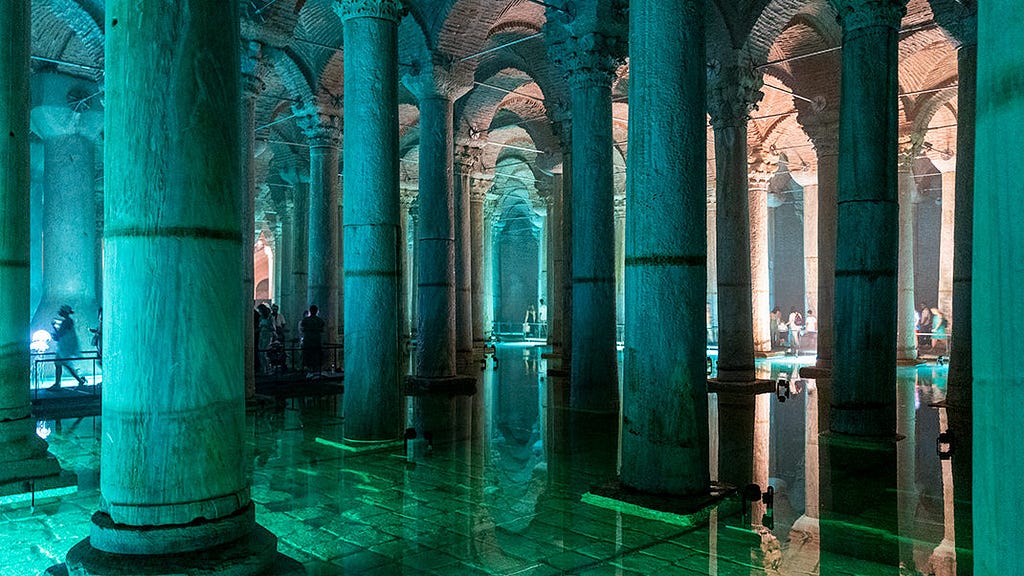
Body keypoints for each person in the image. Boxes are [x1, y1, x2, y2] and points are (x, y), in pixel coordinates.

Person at [50, 304, 87, 390]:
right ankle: (59, 383)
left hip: (64, 347)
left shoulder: (66, 322)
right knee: (63, 364)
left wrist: (54, 327)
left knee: (62, 364)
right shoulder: (69, 321)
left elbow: (60, 334)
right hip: (66, 347)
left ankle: (58, 384)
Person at [300, 305, 326, 372]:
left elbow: (302, 329)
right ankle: (316, 371)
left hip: (308, 341)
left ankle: (309, 372)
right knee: (316, 357)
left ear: (310, 311)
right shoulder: (320, 320)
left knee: (308, 357)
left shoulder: (305, 320)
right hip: (317, 341)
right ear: (317, 311)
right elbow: (322, 330)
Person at [256, 304, 275, 374]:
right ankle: (263, 368)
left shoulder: (270, 318)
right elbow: (259, 327)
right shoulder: (260, 318)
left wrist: (266, 326)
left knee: (264, 353)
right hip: (261, 335)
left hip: (267, 335)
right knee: (260, 353)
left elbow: (273, 328)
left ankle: (268, 369)